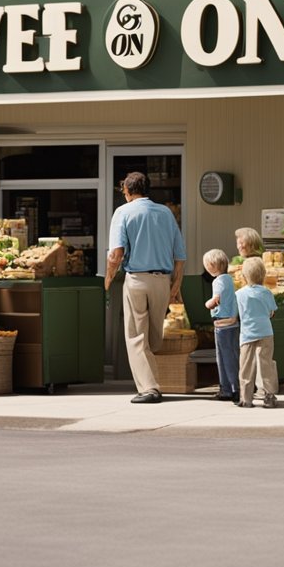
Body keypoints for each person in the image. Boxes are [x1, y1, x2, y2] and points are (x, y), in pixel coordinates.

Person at [105, 171, 186, 404]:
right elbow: (180, 256)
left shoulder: (122, 212)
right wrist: (175, 285)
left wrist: (108, 279)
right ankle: (152, 383)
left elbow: (116, 254)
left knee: (136, 336)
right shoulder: (166, 213)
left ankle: (150, 388)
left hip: (137, 279)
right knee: (153, 337)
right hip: (162, 280)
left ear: (128, 191)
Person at [236, 257, 279, 409]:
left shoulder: (239, 294)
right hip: (266, 332)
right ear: (263, 275)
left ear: (244, 276)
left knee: (246, 366)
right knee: (266, 363)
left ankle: (246, 398)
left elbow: (238, 313)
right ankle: (269, 395)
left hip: (247, 334)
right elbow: (271, 312)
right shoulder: (267, 293)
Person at [203, 248, 240, 403]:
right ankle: (234, 387)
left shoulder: (218, 281)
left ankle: (229, 389)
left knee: (224, 358)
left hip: (223, 324)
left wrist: (207, 304)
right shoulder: (229, 279)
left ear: (212, 266)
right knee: (232, 355)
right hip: (232, 323)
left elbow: (215, 300)